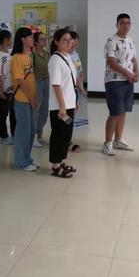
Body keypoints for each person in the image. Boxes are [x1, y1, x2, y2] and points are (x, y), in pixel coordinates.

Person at [103, 13, 139, 156]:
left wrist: (136, 72)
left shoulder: (130, 40)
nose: (125, 25)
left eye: (128, 23)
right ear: (117, 25)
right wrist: (127, 73)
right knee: (115, 112)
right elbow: (111, 62)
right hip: (114, 81)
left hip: (127, 81)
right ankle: (107, 142)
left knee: (123, 111)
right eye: (122, 23)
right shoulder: (111, 41)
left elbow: (134, 59)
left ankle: (118, 140)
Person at [48, 28, 78, 178]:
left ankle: (61, 161)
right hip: (60, 107)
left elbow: (69, 83)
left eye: (70, 40)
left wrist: (74, 101)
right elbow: (56, 84)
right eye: (64, 40)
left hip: (68, 104)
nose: (68, 43)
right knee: (58, 135)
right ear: (56, 42)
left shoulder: (67, 57)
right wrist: (62, 106)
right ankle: (55, 166)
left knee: (66, 135)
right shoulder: (55, 59)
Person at [10, 27, 38, 172]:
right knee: (23, 132)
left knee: (32, 130)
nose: (33, 40)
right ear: (22, 39)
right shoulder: (16, 58)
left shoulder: (28, 56)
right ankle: (21, 161)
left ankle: (27, 157)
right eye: (30, 37)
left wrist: (34, 96)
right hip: (22, 99)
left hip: (30, 98)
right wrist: (31, 98)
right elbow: (20, 80)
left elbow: (31, 79)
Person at [0, 30, 15, 145]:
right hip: (3, 90)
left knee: (13, 112)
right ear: (6, 40)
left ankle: (14, 134)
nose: (12, 41)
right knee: (3, 112)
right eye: (11, 38)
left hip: (12, 89)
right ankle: (4, 136)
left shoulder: (10, 54)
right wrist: (2, 91)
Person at [32, 31, 49, 148]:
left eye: (45, 39)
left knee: (44, 110)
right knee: (36, 110)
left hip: (47, 82)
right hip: (37, 83)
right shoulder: (32, 55)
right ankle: (33, 136)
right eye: (42, 39)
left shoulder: (47, 53)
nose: (44, 41)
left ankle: (39, 133)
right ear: (36, 42)